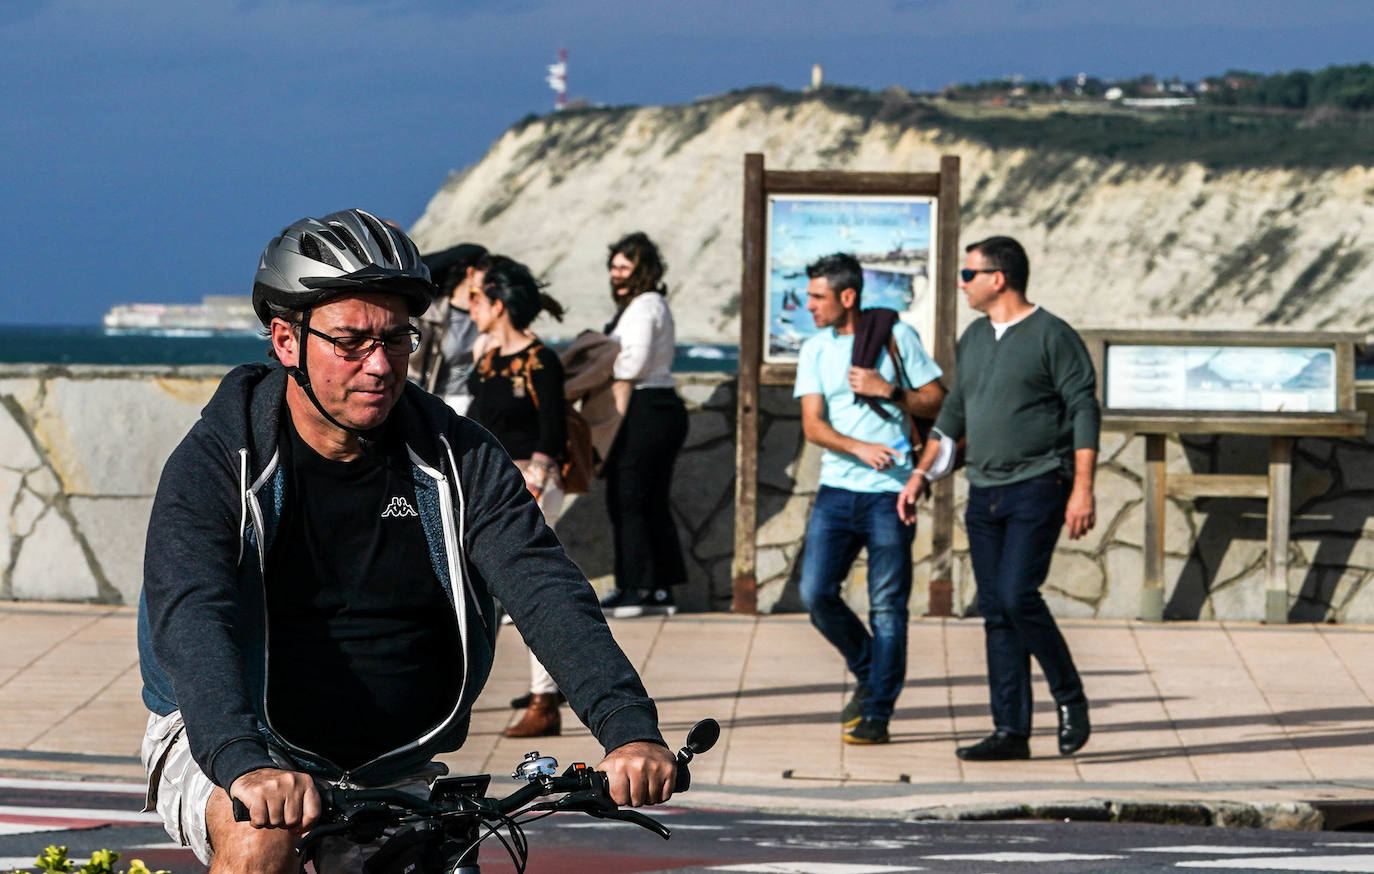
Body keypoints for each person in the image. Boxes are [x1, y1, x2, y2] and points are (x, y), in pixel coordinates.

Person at [137, 209, 677, 874]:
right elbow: (192, 614)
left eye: (398, 340)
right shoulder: (222, 461)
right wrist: (242, 761)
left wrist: (628, 730)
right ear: (285, 339)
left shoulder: (458, 458)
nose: (380, 365)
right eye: (351, 341)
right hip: (233, 741)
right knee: (259, 839)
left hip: (396, 761)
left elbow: (544, 587)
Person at [898, 235, 1097, 761]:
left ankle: (1069, 696)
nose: (961, 284)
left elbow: (1084, 410)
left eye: (968, 275)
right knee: (995, 611)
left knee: (1016, 596)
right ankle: (1011, 731)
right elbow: (953, 415)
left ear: (997, 278)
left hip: (1038, 484)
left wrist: (1083, 488)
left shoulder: (1053, 335)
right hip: (983, 492)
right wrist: (920, 477)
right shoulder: (975, 337)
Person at [793, 252, 945, 746]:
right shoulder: (814, 349)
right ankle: (869, 669)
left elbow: (938, 398)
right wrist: (858, 446)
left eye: (818, 297)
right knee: (816, 594)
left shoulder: (898, 339)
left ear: (847, 297)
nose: (809, 305)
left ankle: (877, 712)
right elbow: (813, 424)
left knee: (888, 608)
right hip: (836, 492)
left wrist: (889, 390)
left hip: (890, 495)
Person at [465, 255, 570, 738]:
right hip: (489, 487)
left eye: (478, 300)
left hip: (531, 488)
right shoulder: (485, 356)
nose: (470, 310)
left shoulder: (540, 359)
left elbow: (555, 429)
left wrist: (535, 480)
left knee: (530, 590)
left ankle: (545, 699)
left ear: (499, 304)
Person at [597, 232, 689, 616]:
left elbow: (633, 364)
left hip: (647, 406)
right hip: (653, 407)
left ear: (643, 270)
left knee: (630, 498)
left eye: (624, 267)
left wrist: (595, 366)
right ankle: (655, 588)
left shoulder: (645, 306)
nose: (617, 274)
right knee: (647, 499)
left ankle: (639, 587)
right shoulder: (643, 305)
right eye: (613, 267)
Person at [409, 242, 488, 413]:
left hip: (478, 403)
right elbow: (412, 362)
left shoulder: (488, 312)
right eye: (487, 270)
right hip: (441, 403)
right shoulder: (432, 315)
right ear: (471, 273)